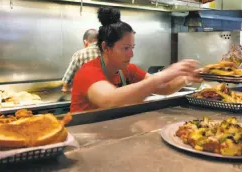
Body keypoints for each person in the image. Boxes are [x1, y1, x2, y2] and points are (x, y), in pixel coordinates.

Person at [70, 7, 202, 113]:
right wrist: (161, 76)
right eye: (125, 48)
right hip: (83, 139)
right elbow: (109, 99)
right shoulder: (88, 72)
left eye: (132, 47)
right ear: (106, 47)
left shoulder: (127, 70)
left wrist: (187, 77)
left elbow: (164, 88)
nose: (131, 54)